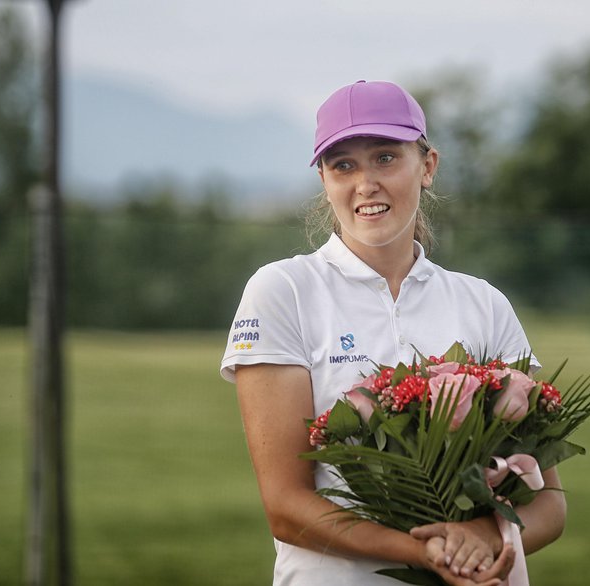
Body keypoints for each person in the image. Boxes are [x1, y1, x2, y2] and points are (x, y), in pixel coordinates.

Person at [220, 80, 567, 585]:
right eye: (344, 165)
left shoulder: (484, 303)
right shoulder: (283, 291)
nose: (365, 183)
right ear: (323, 178)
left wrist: (485, 540)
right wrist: (427, 553)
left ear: (427, 167)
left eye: (385, 157)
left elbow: (549, 503)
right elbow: (286, 506)